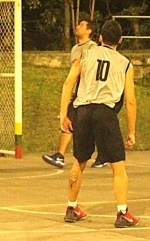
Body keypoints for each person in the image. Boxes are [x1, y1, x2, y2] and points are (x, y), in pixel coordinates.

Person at [59, 19, 138, 228]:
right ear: (120, 40)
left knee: (79, 160)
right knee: (118, 166)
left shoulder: (85, 54)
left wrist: (63, 114)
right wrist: (131, 131)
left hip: (83, 111)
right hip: (105, 112)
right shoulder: (125, 64)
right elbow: (130, 100)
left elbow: (68, 83)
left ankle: (71, 207)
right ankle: (122, 213)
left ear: (100, 37)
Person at [42, 19, 107, 169]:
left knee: (93, 125)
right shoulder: (75, 49)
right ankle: (60, 155)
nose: (77, 27)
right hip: (80, 92)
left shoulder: (93, 48)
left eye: (81, 25)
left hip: (92, 93)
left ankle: (102, 155)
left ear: (89, 31)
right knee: (71, 121)